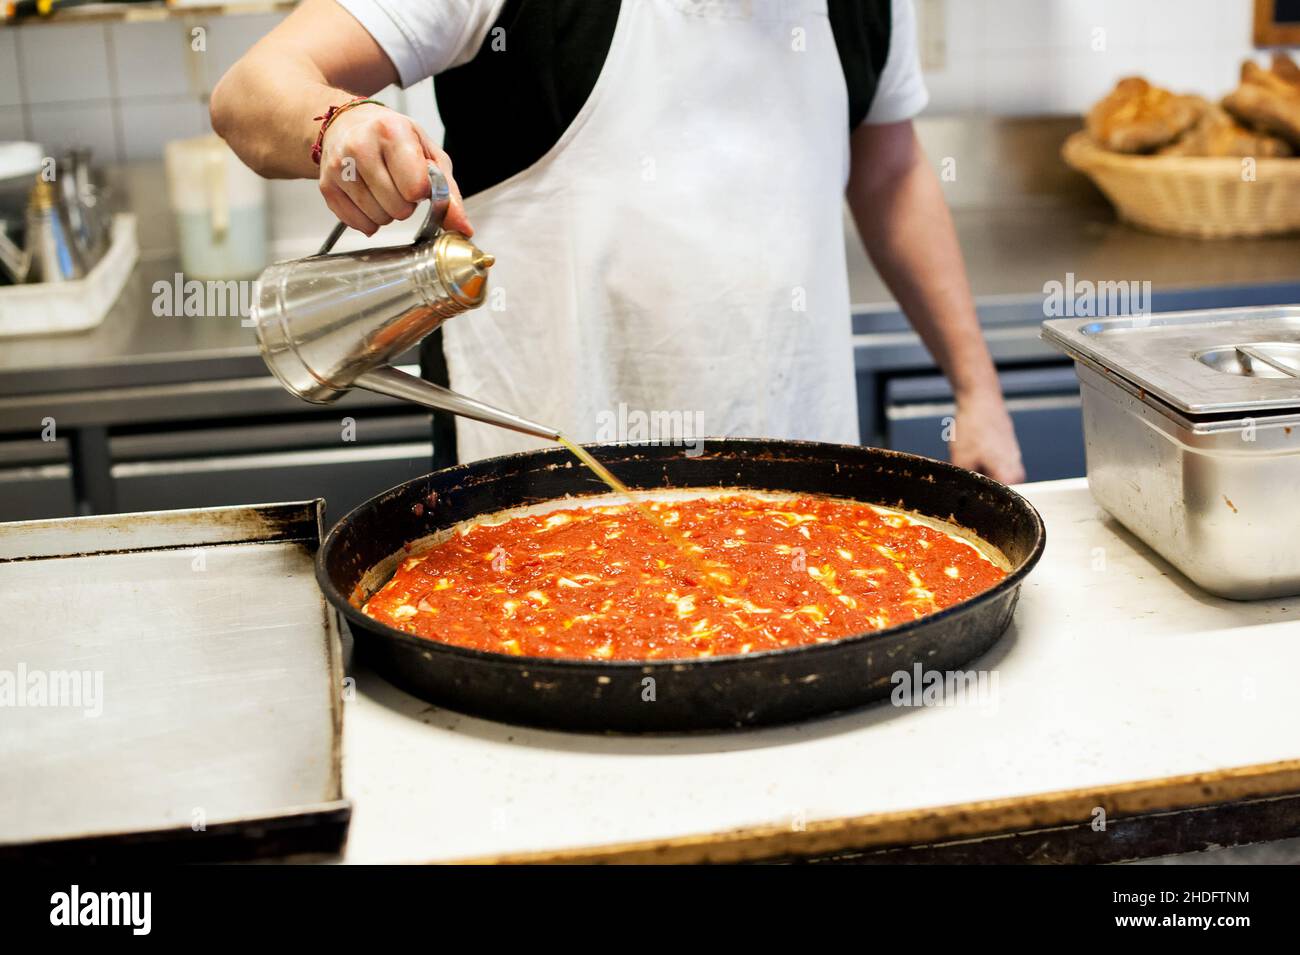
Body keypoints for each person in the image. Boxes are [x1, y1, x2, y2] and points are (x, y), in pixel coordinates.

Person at [211, 0, 1025, 482]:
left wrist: (977, 389)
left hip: (799, 495)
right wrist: (339, 123)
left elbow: (890, 172)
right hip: (543, 504)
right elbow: (250, 93)